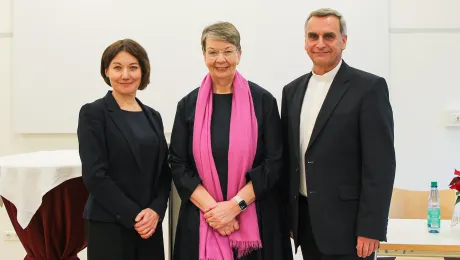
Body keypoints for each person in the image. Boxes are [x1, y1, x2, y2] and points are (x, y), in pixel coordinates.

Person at [168, 22, 293, 260]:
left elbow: (274, 162)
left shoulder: (263, 102)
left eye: (227, 50)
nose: (220, 59)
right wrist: (215, 212)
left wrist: (235, 207)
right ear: (204, 55)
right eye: (213, 52)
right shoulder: (188, 105)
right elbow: (178, 163)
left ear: (239, 54)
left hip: (257, 221)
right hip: (202, 218)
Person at [281, 8, 396, 260]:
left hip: (351, 229)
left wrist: (371, 227)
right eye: (313, 36)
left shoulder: (369, 88)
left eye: (329, 36)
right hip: (306, 224)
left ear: (343, 41)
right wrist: (290, 216)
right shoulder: (291, 91)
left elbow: (380, 165)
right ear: (305, 42)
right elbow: (291, 159)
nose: (320, 43)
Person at [77, 39, 172, 260]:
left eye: (133, 67)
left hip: (150, 226)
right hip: (110, 223)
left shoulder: (153, 116)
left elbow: (164, 172)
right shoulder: (93, 114)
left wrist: (156, 211)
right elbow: (95, 175)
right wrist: (135, 215)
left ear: (143, 71)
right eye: (117, 67)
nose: (125, 75)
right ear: (106, 71)